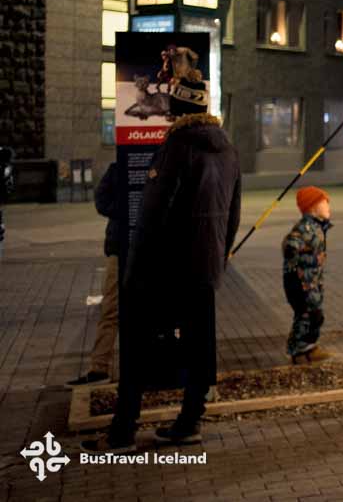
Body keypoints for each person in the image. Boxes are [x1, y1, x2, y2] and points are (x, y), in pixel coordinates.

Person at [84, 110, 241, 453]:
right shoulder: (228, 149)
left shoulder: (176, 146)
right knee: (199, 347)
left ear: (179, 116)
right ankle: (189, 421)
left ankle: (123, 431)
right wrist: (219, 261)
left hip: (165, 269)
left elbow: (152, 212)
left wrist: (134, 270)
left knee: (137, 348)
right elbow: (233, 215)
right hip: (205, 269)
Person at [67, 163, 124, 386]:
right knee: (111, 308)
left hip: (138, 247)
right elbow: (101, 199)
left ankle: (102, 367)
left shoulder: (161, 161)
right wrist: (127, 209)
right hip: (121, 247)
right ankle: (99, 367)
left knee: (115, 310)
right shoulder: (118, 167)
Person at [284, 186, 334, 361]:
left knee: (313, 315)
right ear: (312, 207)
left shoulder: (317, 226)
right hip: (301, 282)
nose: (328, 206)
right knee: (307, 315)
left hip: (312, 281)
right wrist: (296, 252)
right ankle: (299, 350)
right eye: (324, 203)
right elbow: (290, 244)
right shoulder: (305, 228)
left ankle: (308, 347)